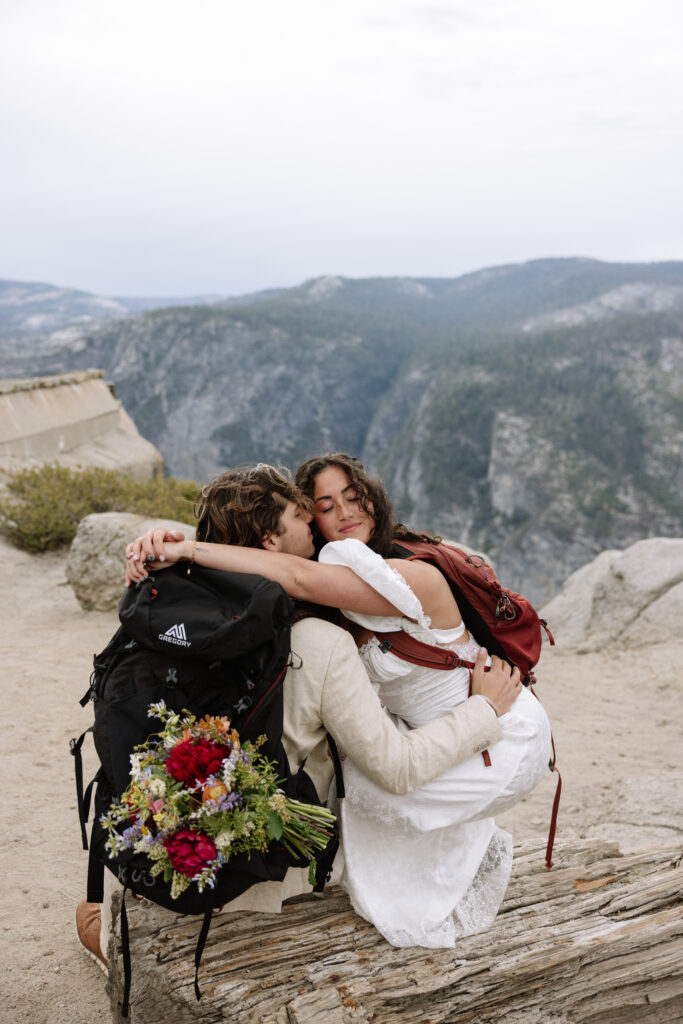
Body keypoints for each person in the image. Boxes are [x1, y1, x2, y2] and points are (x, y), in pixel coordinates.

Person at [79, 464, 520, 972]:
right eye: (299, 515)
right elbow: (398, 769)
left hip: (169, 831)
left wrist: (169, 543)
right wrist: (484, 711)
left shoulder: (182, 609)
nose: (313, 522)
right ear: (269, 539)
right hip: (269, 871)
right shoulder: (318, 640)